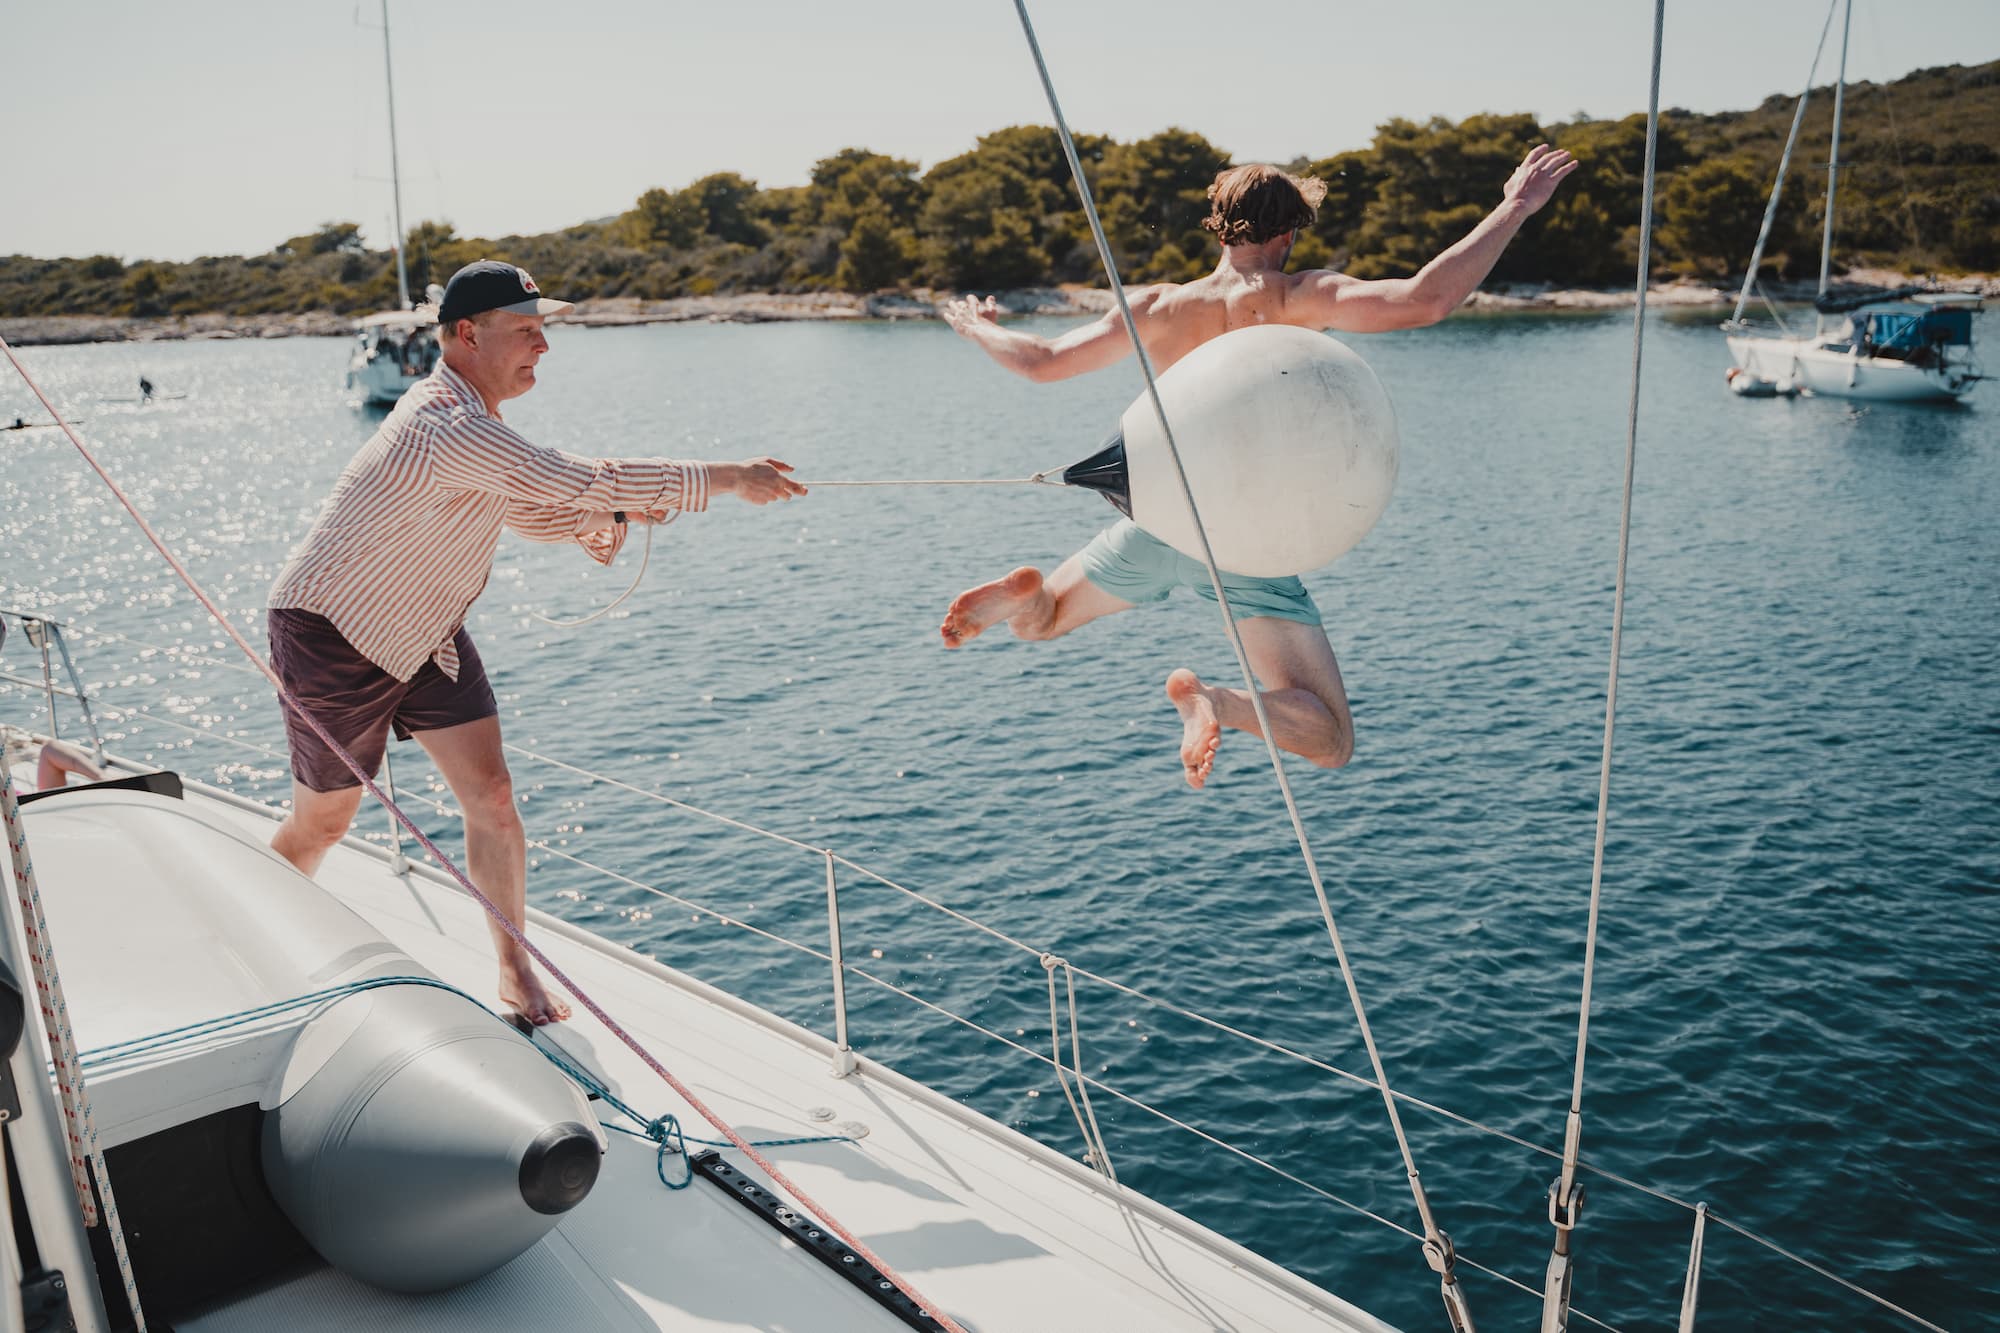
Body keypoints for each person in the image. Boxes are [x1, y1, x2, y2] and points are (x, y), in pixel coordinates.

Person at [266, 259, 807, 1024]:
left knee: (492, 797)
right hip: (334, 632)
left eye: (543, 331)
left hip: (424, 631)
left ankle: (516, 973)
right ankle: (253, 916)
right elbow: (565, 479)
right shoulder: (442, 423)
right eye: (525, 332)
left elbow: (538, 511)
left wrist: (617, 516)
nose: (542, 346)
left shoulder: (479, 425)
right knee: (325, 822)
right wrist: (723, 477)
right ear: (465, 335)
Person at [939, 145, 1576, 789]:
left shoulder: (1158, 306)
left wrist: (977, 327)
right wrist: (1515, 205)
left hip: (1160, 523)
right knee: (1329, 738)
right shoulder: (1305, 295)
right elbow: (1426, 298)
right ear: (1290, 231)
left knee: (1042, 621)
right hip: (1247, 543)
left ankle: (1026, 591)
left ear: (1217, 227)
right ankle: (1220, 703)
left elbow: (1042, 360)